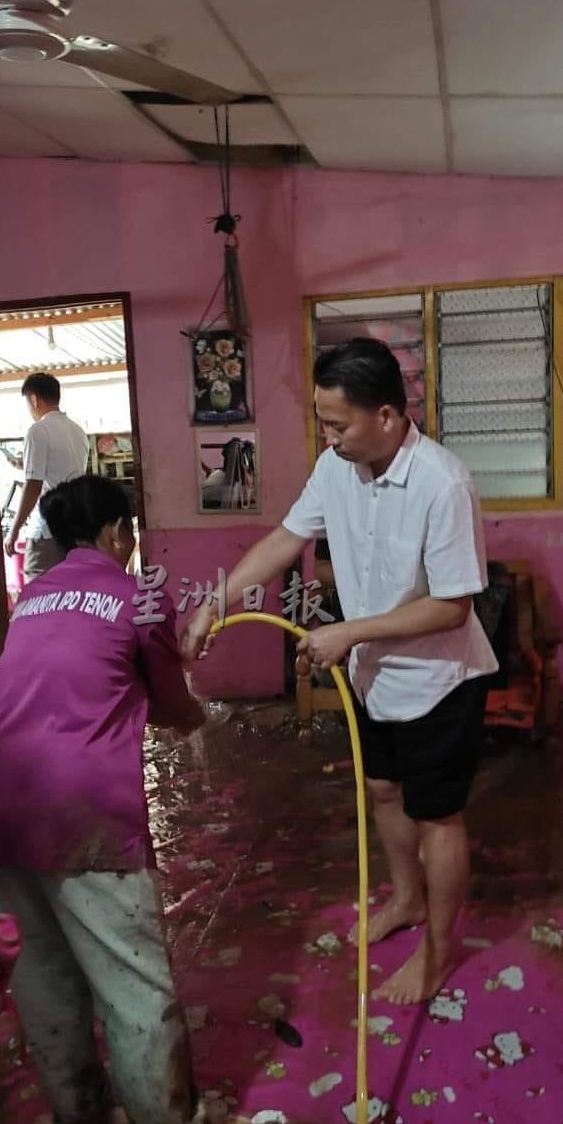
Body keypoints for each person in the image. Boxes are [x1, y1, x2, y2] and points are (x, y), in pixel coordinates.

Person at [182, 338, 497, 1007]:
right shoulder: (336, 469)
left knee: (436, 815)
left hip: (440, 678)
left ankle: (438, 953)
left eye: (337, 423)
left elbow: (451, 605)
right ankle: (406, 901)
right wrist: (219, 598)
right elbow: (286, 537)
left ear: (386, 414)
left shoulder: (442, 482)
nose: (328, 437)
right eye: (322, 423)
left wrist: (347, 632)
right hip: (373, 673)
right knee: (383, 792)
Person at [0, 475, 249, 1124]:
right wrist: (208, 719)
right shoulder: (136, 598)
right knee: (133, 984)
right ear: (119, 534)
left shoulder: (31, 598)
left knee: (45, 977)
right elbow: (169, 704)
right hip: (81, 812)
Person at [4, 372, 89, 582]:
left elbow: (33, 485)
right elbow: (62, 470)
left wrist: (14, 530)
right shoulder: (78, 432)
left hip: (47, 528)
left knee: (40, 590)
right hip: (75, 526)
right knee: (71, 590)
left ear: (34, 399)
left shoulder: (38, 430)